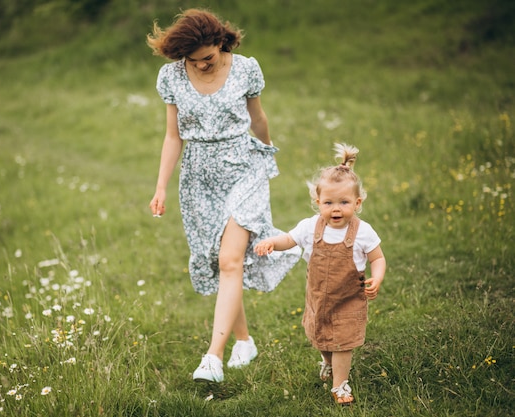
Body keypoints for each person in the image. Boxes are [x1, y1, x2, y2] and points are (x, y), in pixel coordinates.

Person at [147, 8, 301, 383]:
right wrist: (161, 186)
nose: (200, 66)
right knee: (222, 262)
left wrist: (267, 154)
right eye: (192, 61)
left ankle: (212, 359)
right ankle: (244, 341)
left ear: (221, 42)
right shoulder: (171, 77)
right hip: (198, 176)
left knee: (231, 259)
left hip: (243, 167)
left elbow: (258, 117)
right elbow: (173, 135)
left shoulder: (246, 68)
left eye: (208, 59)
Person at [254, 143, 386, 405]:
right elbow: (289, 239)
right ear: (318, 202)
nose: (336, 209)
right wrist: (272, 242)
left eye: (344, 202)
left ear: (357, 203)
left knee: (343, 343)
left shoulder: (362, 231)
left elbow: (378, 258)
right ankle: (326, 363)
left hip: (349, 300)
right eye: (329, 202)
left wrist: (377, 277)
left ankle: (340, 385)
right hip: (319, 299)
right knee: (323, 340)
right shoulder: (310, 226)